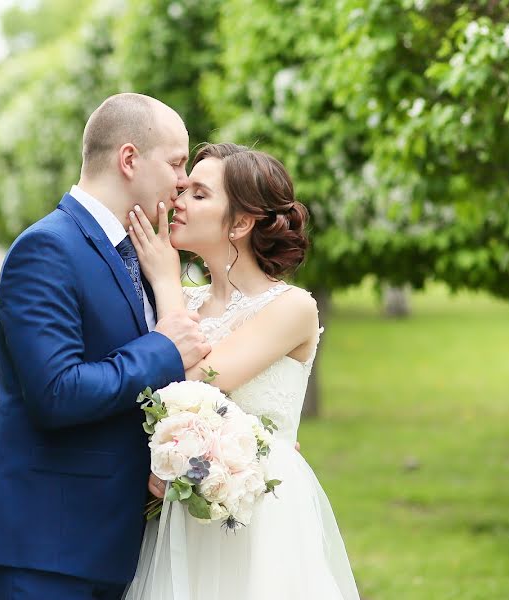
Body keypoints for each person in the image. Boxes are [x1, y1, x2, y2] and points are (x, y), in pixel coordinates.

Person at [0, 93, 211, 599]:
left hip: (111, 549)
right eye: (176, 162)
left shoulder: (143, 256)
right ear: (128, 159)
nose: (183, 180)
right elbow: (56, 391)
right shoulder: (47, 248)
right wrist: (163, 347)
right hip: (42, 553)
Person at [123, 143, 359, 600]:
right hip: (180, 514)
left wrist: (168, 282)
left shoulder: (291, 308)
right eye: (183, 189)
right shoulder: (181, 301)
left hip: (259, 517)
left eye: (198, 194)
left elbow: (192, 382)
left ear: (240, 222)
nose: (178, 201)